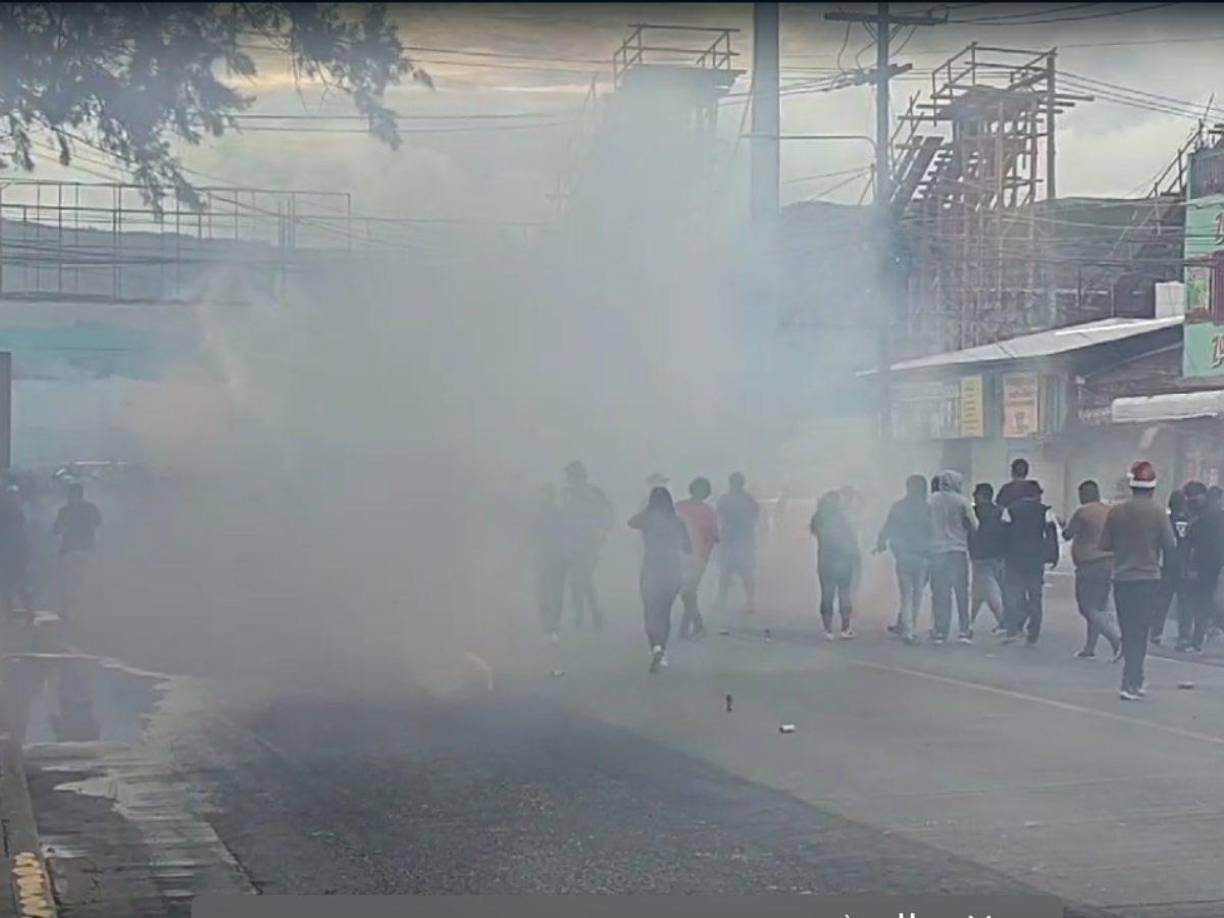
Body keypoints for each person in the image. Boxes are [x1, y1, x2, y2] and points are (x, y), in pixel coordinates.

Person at [1100, 460, 1177, 701]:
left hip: (1123, 579)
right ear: (1153, 488)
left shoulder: (1116, 512)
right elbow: (1170, 545)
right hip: (1148, 579)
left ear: (1131, 487)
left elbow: (1105, 545)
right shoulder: (1159, 513)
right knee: (1140, 632)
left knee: (1128, 629)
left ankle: (1131, 680)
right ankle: (1134, 680)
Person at [629, 487, 692, 673]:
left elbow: (630, 522)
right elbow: (688, 548)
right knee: (664, 613)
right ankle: (662, 650)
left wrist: (648, 510)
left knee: (650, 611)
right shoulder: (676, 521)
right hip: (672, 570)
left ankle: (654, 647)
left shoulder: (647, 519)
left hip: (650, 569)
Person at [1062, 480, 1121, 660]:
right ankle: (1090, 648)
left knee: (1087, 608)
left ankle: (1116, 638)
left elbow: (1067, 534)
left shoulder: (1083, 512)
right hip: (1109, 562)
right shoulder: (1109, 511)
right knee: (1098, 606)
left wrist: (1062, 523)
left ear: (1084, 495)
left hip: (1089, 563)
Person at [876, 475, 932, 645]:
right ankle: (910, 629)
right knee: (916, 596)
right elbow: (933, 531)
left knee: (906, 594)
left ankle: (907, 629)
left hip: (903, 555)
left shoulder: (898, 507)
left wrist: (881, 543)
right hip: (922, 556)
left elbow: (888, 527)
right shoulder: (928, 509)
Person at [559, 461, 613, 631]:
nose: (568, 478)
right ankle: (587, 613)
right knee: (578, 579)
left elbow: (608, 512)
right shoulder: (566, 494)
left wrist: (603, 531)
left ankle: (584, 614)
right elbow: (563, 518)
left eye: (570, 475)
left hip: (588, 541)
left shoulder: (594, 493)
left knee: (583, 578)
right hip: (573, 542)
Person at [1000, 479, 1055, 646]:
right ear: (1037, 495)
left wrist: (1002, 554)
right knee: (1035, 597)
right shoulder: (1045, 512)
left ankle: (1013, 630)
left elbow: (1003, 534)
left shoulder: (1010, 510)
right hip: (1034, 560)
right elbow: (1051, 537)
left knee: (1013, 596)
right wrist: (1052, 557)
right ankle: (1033, 631)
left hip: (1014, 559)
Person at [928, 470, 977, 645]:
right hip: (958, 551)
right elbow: (974, 525)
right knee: (961, 592)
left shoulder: (931, 500)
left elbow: (925, 523)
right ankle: (964, 630)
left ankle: (941, 631)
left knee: (941, 592)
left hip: (937, 552)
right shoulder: (962, 501)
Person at [1178, 480, 1223, 653]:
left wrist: (1194, 566)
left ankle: (1195, 640)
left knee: (1201, 602)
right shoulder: (1201, 513)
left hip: (1205, 566)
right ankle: (1194, 639)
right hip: (1204, 566)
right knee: (1202, 602)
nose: (1191, 501)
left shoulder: (1208, 516)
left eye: (1193, 498)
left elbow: (1205, 545)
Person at [811, 490, 861, 640]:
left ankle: (828, 630)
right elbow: (851, 539)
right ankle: (845, 629)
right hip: (844, 561)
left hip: (825, 561)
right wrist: (855, 556)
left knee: (827, 593)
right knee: (844, 593)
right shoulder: (843, 518)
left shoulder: (818, 519)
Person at [675, 477, 719, 641]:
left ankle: (690, 627)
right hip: (698, 557)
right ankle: (693, 626)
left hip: (679, 556)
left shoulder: (678, 507)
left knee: (687, 593)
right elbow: (714, 537)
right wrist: (706, 555)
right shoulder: (709, 512)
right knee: (689, 592)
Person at [52, 482, 102, 622]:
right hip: (77, 550)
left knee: (73, 581)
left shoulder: (67, 510)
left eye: (71, 495)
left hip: (76, 550)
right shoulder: (88, 508)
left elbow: (55, 530)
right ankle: (71, 611)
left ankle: (73, 611)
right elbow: (98, 523)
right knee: (73, 582)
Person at [716, 472, 760, 616]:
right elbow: (755, 516)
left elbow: (719, 516)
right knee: (745, 574)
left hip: (730, 539)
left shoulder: (724, 499)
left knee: (727, 574)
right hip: (742, 539)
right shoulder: (748, 499)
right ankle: (750, 603)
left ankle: (723, 602)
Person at [528, 484, 567, 643]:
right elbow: (530, 537)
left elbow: (529, 537)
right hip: (547, 559)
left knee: (551, 594)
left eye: (543, 494)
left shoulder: (552, 515)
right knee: (546, 594)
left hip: (552, 559)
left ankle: (551, 628)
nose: (541, 498)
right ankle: (549, 628)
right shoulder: (553, 514)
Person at [1150, 488, 1188, 647]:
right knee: (1184, 602)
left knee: (1162, 601)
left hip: (1168, 565)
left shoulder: (1164, 521)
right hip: (1185, 566)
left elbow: (1158, 544)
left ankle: (1156, 632)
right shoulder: (1191, 520)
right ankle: (1184, 635)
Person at [969, 483, 1007, 636]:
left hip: (980, 556)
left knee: (989, 591)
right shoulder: (1000, 511)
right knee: (979, 592)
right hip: (997, 555)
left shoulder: (975, 511)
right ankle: (968, 622)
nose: (974, 497)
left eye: (975, 495)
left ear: (981, 496)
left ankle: (1003, 622)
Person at [0, 485, 26, 620]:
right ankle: (9, 611)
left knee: (16, 582)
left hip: (14, 552)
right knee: (8, 583)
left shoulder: (18, 513)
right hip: (8, 552)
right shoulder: (9, 512)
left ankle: (26, 609)